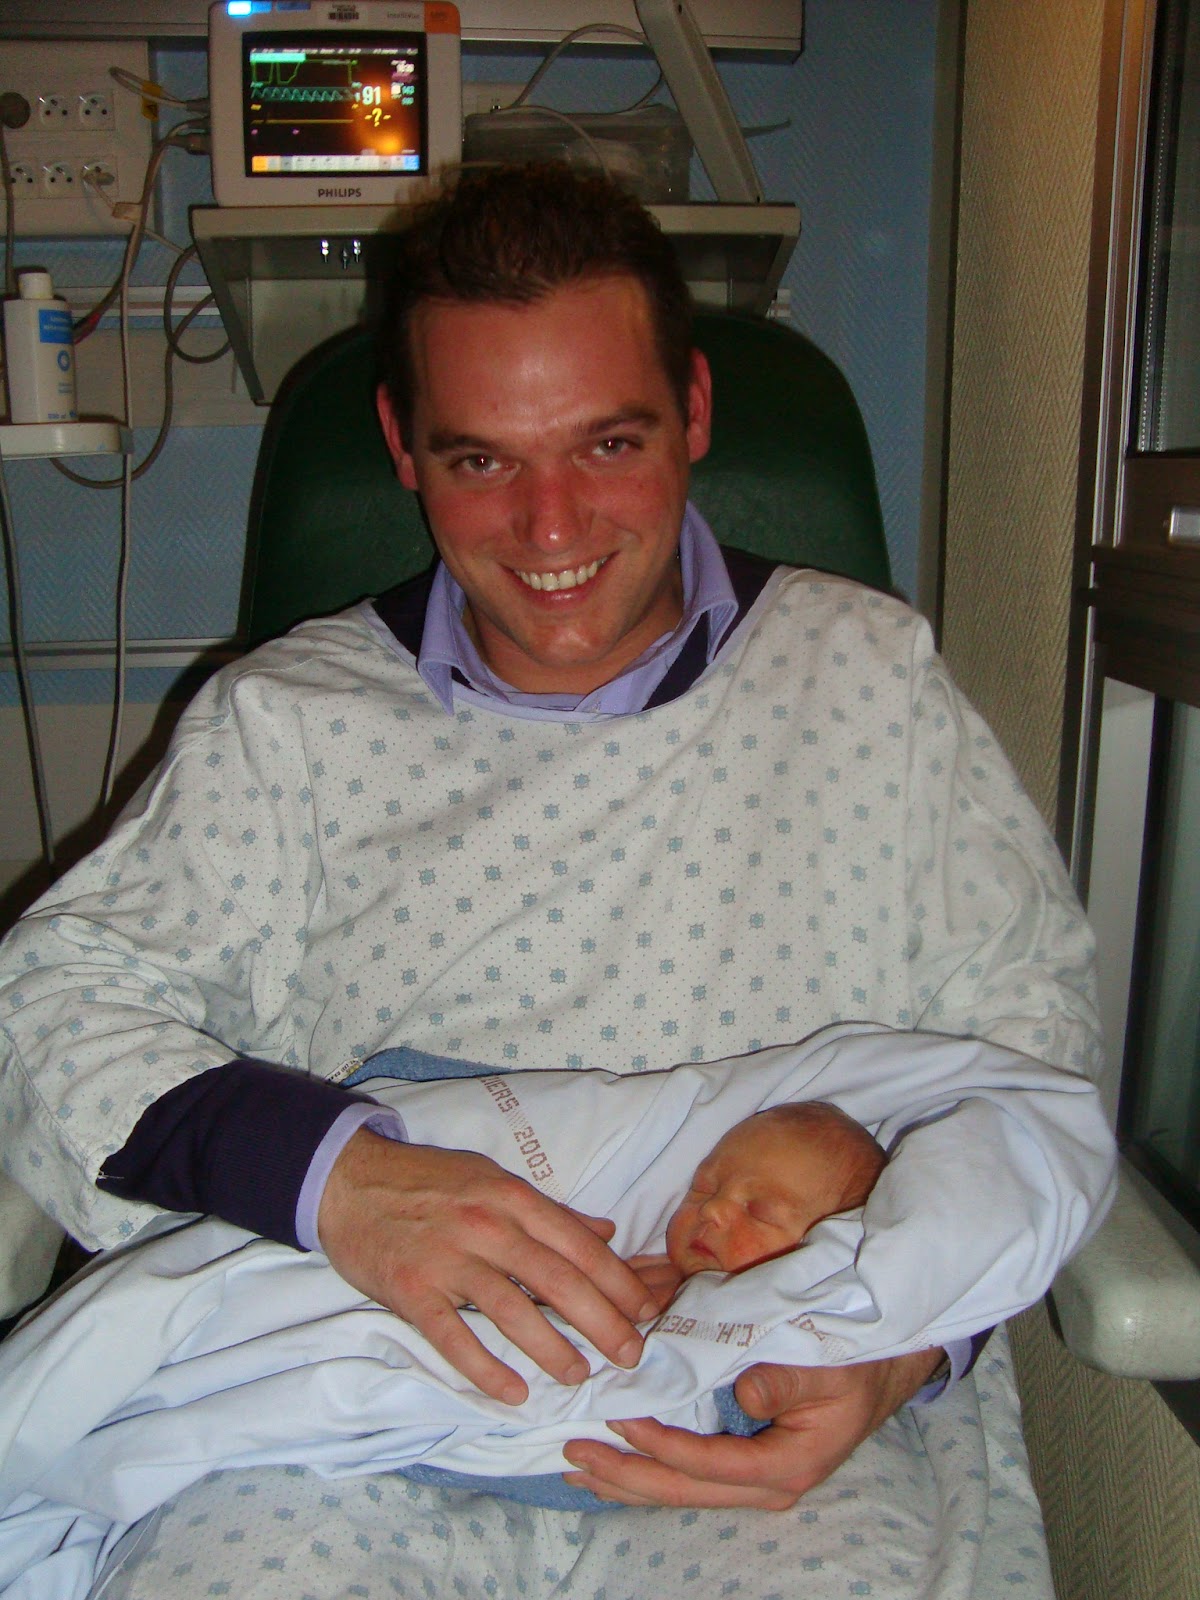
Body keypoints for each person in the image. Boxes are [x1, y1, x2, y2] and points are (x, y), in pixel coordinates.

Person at [0, 162, 1111, 1596]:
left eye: (607, 444)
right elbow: (50, 1007)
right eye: (481, 460)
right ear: (404, 448)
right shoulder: (286, 725)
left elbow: (1028, 1048)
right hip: (338, 1398)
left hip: (774, 1394)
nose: (551, 527)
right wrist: (345, 1184)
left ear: (694, 413)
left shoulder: (865, 680)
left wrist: (902, 1346)